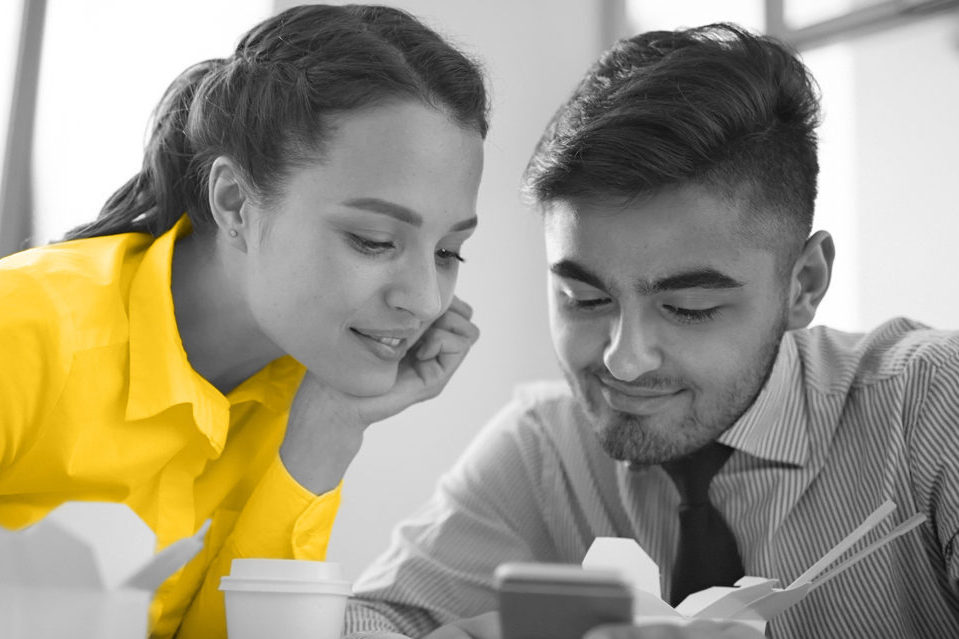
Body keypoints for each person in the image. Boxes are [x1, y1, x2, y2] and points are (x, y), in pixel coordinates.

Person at [342, 22, 959, 639]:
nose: (624, 361)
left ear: (804, 283)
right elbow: (371, 620)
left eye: (688, 307)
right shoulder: (545, 451)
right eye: (583, 299)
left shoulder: (932, 406)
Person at [0, 4, 487, 638]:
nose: (425, 299)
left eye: (449, 252)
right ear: (234, 202)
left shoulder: (308, 377)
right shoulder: (24, 331)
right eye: (373, 240)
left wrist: (329, 428)